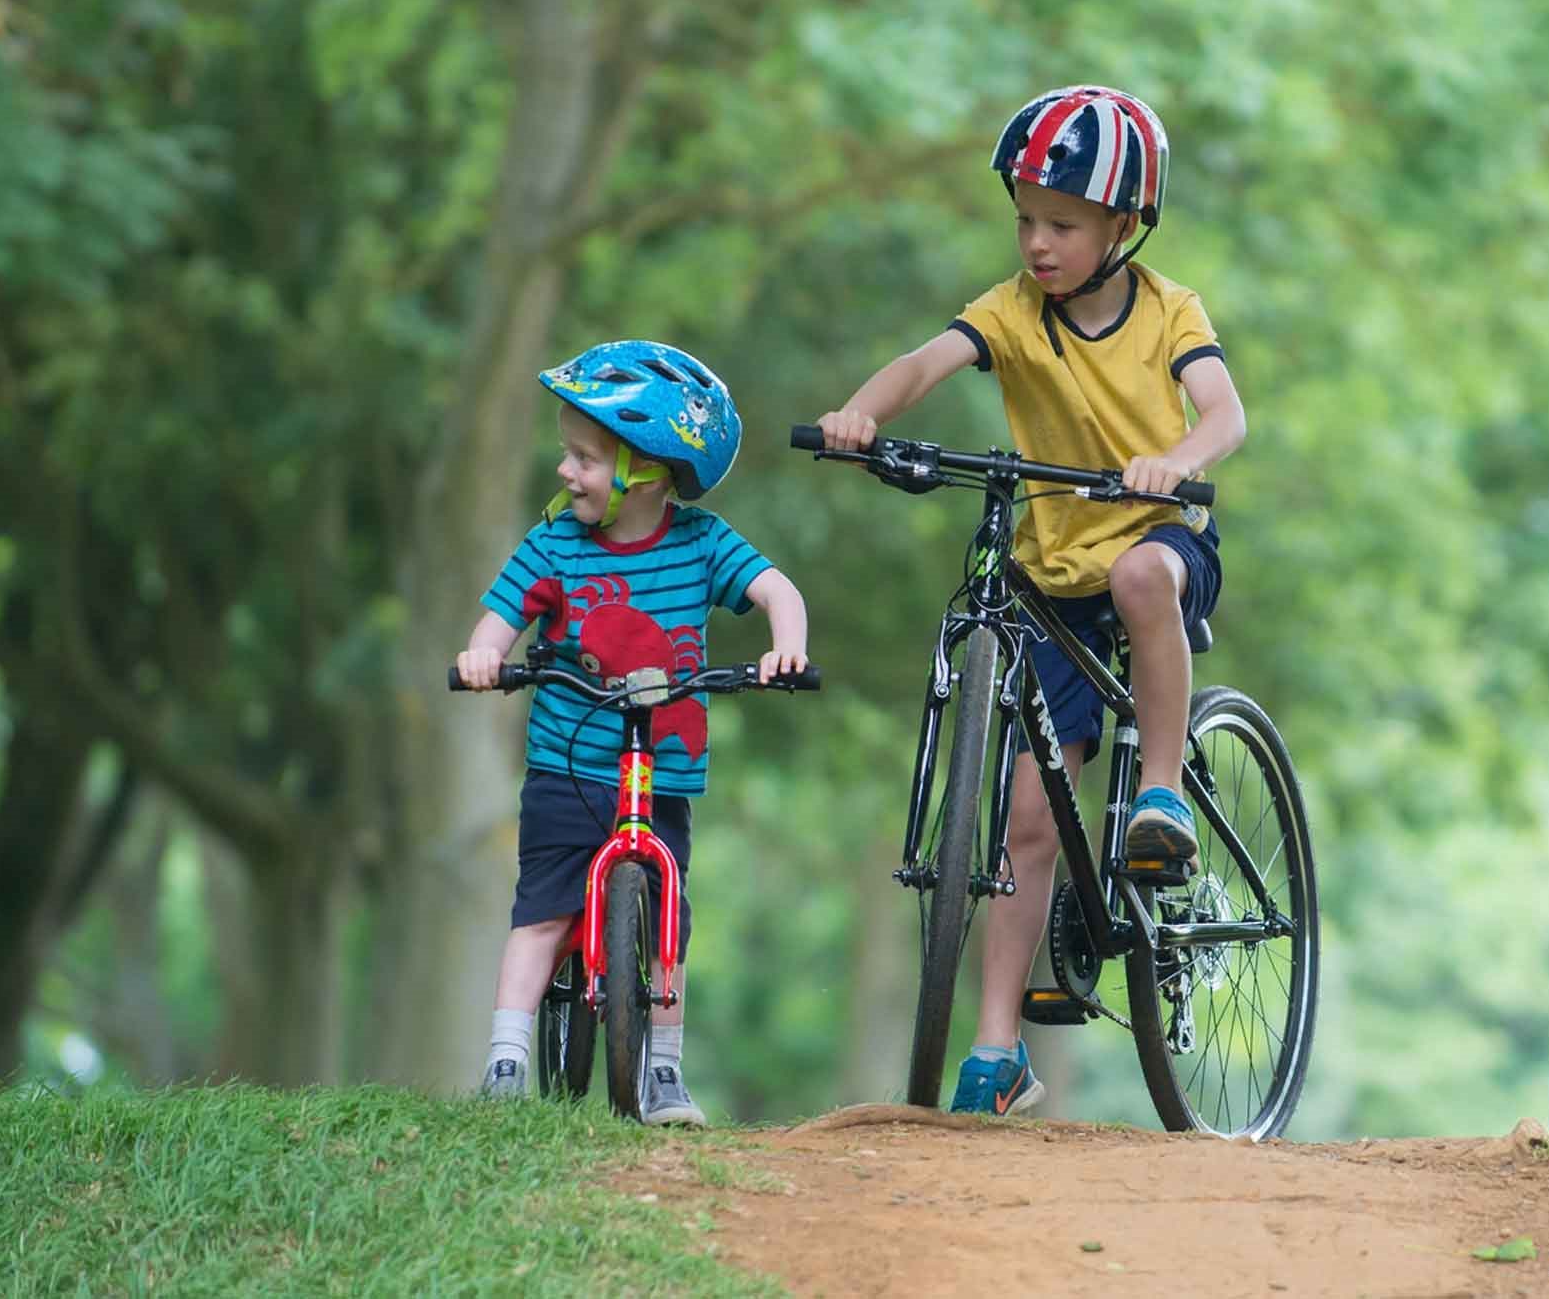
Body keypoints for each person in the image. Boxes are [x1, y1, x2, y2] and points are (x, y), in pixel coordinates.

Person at [814, 86, 1246, 1116]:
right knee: (1022, 823)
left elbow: (1223, 413)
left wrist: (1171, 461)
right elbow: (926, 362)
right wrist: (860, 415)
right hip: (1051, 570)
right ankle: (997, 1048)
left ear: (1120, 226)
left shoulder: (1168, 310)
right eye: (1023, 218)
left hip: (1156, 537)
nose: (1035, 241)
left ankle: (1160, 793)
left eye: (1059, 223)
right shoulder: (1008, 310)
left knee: (1143, 575)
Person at [458, 340, 809, 1126]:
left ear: (648, 471)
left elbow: (776, 587)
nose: (565, 472)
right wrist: (484, 656)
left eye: (583, 458)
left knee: (667, 924)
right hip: (564, 766)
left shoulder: (702, 543)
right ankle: (507, 1062)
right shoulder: (554, 544)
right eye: (566, 453)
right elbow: (500, 619)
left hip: (662, 775)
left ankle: (664, 1076)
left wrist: (788, 642)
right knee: (541, 914)